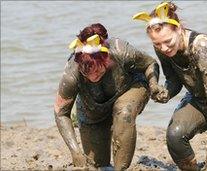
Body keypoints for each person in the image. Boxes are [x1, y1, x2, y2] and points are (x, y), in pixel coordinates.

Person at [133, 2, 207, 171]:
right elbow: (173, 79)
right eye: (158, 44)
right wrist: (166, 92)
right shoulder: (162, 46)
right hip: (200, 98)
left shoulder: (202, 48)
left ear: (178, 29)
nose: (164, 48)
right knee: (175, 135)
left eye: (167, 41)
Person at [53, 23, 160, 170]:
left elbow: (150, 64)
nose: (93, 76)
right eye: (87, 73)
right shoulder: (72, 74)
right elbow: (61, 113)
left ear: (106, 58)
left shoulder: (122, 51)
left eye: (97, 70)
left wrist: (154, 85)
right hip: (93, 107)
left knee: (123, 112)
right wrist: (75, 151)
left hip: (129, 88)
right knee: (97, 166)